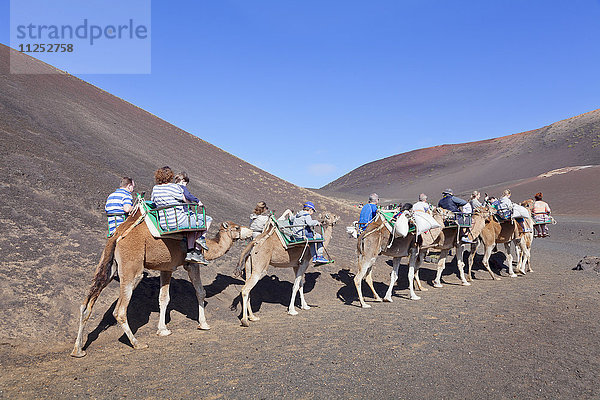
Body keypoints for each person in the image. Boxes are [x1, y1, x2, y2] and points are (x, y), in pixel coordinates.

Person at [151, 166, 207, 265]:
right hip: (178, 221)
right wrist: (196, 203)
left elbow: (153, 202)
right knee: (205, 219)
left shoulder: (155, 189)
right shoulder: (174, 187)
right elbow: (186, 200)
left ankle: (190, 251)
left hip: (164, 224)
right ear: (170, 176)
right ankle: (197, 249)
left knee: (191, 224)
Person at [174, 172, 213, 249]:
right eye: (186, 184)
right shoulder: (181, 187)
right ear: (183, 181)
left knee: (192, 230)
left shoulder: (173, 188)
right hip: (185, 213)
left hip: (176, 213)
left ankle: (191, 248)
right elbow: (188, 195)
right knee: (208, 219)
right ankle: (201, 238)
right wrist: (197, 201)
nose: (186, 186)